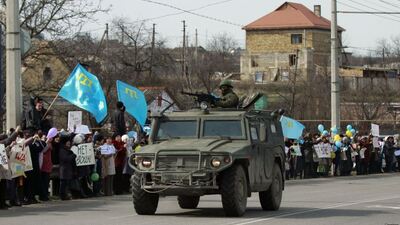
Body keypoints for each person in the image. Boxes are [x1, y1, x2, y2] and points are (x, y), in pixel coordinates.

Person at [59, 136, 76, 200]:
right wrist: (73, 155)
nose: (69, 143)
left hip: (68, 169)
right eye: (67, 142)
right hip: (64, 169)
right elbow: (65, 159)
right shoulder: (62, 150)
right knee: (63, 183)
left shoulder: (67, 150)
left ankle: (65, 195)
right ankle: (63, 195)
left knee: (66, 183)